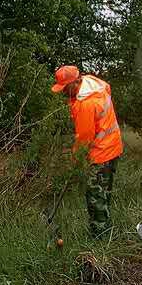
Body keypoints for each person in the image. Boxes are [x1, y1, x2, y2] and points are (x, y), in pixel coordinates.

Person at [52, 65, 123, 239]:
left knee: (95, 197)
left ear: (74, 83)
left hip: (101, 154)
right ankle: (107, 232)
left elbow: (84, 140)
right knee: (104, 194)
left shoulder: (85, 104)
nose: (63, 93)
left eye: (64, 88)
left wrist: (74, 164)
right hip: (113, 148)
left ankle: (100, 239)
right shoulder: (94, 83)